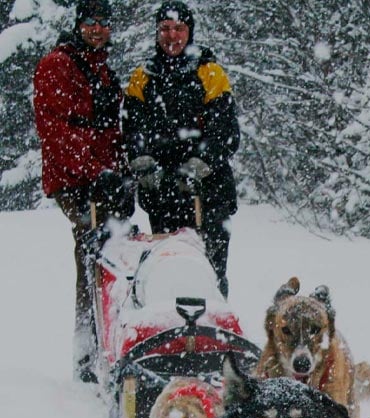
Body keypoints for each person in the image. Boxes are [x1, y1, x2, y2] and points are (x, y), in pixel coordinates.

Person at [33, 0, 133, 382]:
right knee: (92, 259)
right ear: (78, 26)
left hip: (104, 179)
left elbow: (110, 129)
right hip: (77, 183)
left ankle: (108, 342)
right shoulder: (59, 65)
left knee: (115, 260)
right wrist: (95, 172)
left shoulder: (101, 68)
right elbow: (56, 131)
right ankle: (86, 354)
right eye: (90, 23)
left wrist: (120, 174)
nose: (96, 29)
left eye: (102, 23)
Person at [123, 1, 240, 299]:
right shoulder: (142, 77)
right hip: (162, 190)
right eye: (165, 29)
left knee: (210, 270)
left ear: (190, 32)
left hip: (208, 192)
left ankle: (214, 334)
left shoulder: (210, 72)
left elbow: (226, 132)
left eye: (178, 29)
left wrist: (202, 162)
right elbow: (132, 129)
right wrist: (142, 161)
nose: (171, 36)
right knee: (167, 268)